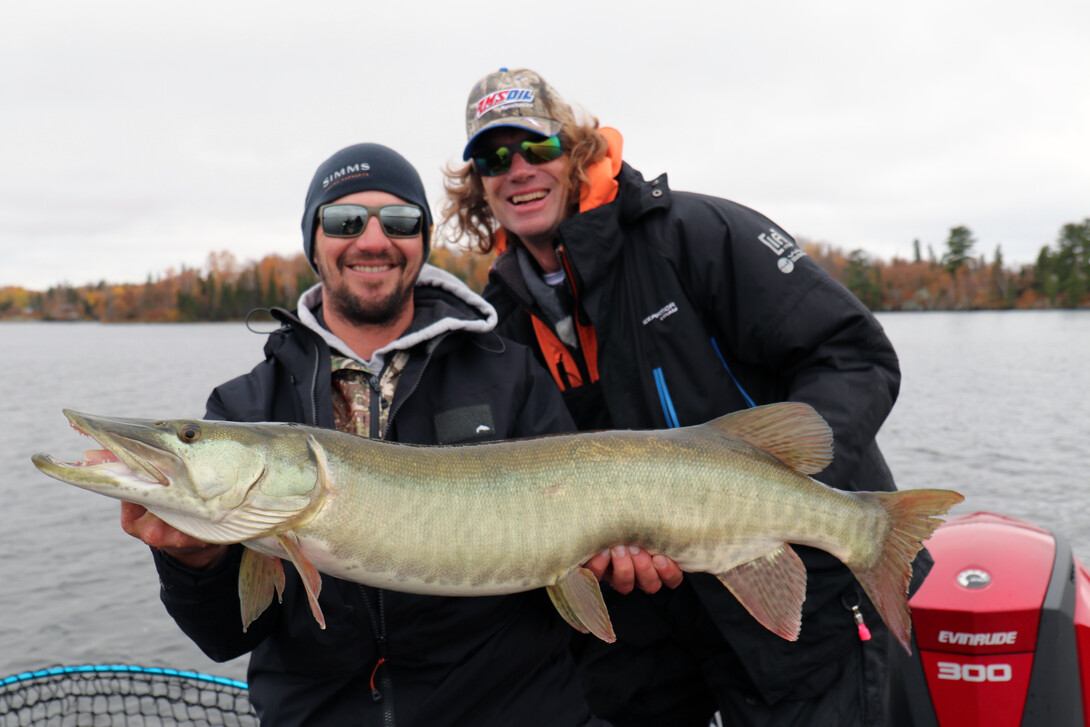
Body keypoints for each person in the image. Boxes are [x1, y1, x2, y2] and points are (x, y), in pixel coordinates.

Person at [443, 68, 926, 726]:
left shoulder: (694, 235)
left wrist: (772, 484)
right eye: (493, 158)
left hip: (793, 596)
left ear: (576, 148)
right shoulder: (497, 323)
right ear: (479, 186)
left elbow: (855, 355)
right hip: (645, 630)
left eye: (537, 148)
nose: (518, 169)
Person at [121, 142, 608, 727]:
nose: (373, 241)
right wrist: (192, 562)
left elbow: (584, 533)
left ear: (421, 242)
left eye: (399, 222)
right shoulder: (245, 405)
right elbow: (229, 636)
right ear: (314, 242)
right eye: (344, 220)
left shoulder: (510, 372)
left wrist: (612, 557)